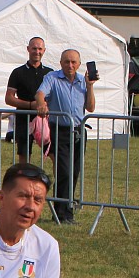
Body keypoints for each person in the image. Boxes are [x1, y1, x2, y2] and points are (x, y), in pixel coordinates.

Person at [34, 48, 96, 224]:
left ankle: (63, 209)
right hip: (59, 131)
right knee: (64, 172)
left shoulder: (83, 82)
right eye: (67, 61)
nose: (70, 65)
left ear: (79, 64)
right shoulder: (52, 78)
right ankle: (63, 213)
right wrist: (41, 104)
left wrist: (90, 86)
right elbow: (40, 94)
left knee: (74, 172)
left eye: (73, 62)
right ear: (61, 63)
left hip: (78, 131)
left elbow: (90, 107)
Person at [5, 38, 51, 164]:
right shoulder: (18, 72)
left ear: (44, 51)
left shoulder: (50, 74)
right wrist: (31, 105)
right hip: (23, 119)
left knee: (53, 155)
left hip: (45, 120)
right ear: (28, 49)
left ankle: (56, 184)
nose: (37, 51)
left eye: (40, 49)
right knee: (24, 158)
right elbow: (9, 98)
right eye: (34, 48)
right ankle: (24, 183)